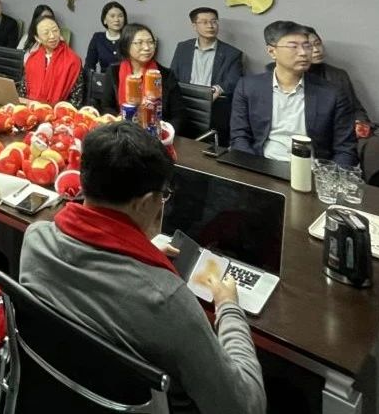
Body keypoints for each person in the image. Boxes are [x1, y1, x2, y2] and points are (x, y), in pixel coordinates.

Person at [19, 122, 266, 414]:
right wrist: (228, 307)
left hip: (55, 397)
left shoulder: (36, 240)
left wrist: (135, 253)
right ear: (147, 202)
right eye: (164, 195)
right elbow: (243, 406)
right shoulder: (167, 299)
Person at [231, 21, 357, 167]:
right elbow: (239, 137)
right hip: (263, 165)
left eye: (307, 46)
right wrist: (254, 169)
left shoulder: (332, 93)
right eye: (293, 46)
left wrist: (327, 176)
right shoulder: (248, 86)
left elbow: (345, 149)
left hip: (313, 171)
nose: (303, 53)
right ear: (272, 51)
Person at [169, 7, 244, 142]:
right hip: (185, 104)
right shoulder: (183, 47)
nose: (210, 26)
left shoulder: (232, 53)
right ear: (194, 26)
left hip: (213, 106)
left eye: (214, 21)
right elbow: (173, 75)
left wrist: (217, 89)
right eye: (204, 22)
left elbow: (235, 80)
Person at [95, 23, 184, 132]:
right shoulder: (114, 72)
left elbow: (179, 116)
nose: (147, 47)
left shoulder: (165, 75)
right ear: (126, 45)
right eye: (139, 43)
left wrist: (164, 132)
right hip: (122, 132)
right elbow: (107, 107)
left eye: (150, 42)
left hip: (156, 134)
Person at [305, 27, 370, 126]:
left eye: (317, 44)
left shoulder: (338, 75)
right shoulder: (288, 79)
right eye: (308, 47)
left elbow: (356, 110)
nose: (316, 50)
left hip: (343, 130)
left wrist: (361, 122)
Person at [19, 15, 84, 106]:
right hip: (30, 108)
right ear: (37, 38)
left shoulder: (72, 60)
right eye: (46, 33)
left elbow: (76, 100)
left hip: (58, 111)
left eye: (55, 30)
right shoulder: (32, 60)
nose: (52, 36)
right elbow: (23, 92)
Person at [83, 1, 127, 73]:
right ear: (104, 20)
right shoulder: (98, 38)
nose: (116, 19)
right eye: (112, 16)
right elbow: (89, 65)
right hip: (105, 79)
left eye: (120, 16)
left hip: (127, 78)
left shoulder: (129, 37)